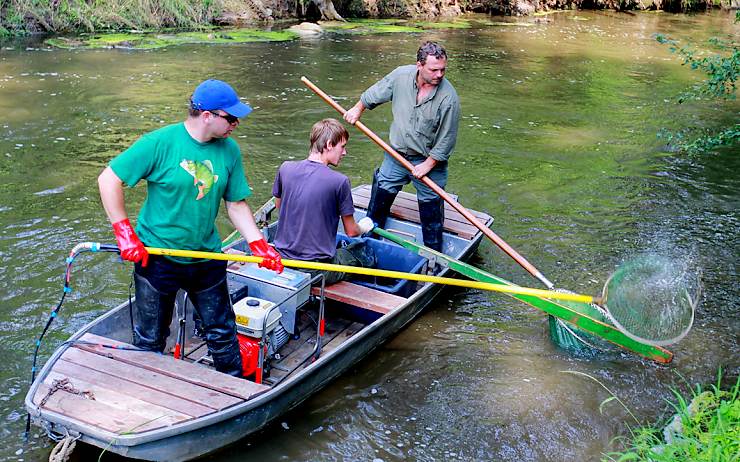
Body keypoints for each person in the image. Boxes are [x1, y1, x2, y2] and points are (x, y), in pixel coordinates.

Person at [98, 79, 283, 378]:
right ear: (207, 115)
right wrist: (124, 232)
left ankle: (235, 391)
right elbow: (108, 180)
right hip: (156, 257)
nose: (236, 124)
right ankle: (146, 391)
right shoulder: (160, 143)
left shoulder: (229, 151)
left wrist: (258, 244)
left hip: (206, 257)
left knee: (222, 331)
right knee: (150, 338)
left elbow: (236, 204)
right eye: (231, 118)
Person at [343, 41, 460, 252]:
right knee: (380, 194)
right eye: (434, 70)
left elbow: (447, 139)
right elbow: (375, 93)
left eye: (443, 69)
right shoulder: (400, 77)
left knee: (431, 209)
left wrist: (428, 164)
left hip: (429, 160)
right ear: (419, 65)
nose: (439, 74)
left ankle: (433, 256)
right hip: (396, 155)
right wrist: (357, 109)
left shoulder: (448, 98)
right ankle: (368, 243)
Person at [272, 118, 375, 285]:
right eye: (342, 146)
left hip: (282, 261)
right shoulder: (339, 181)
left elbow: (280, 208)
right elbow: (351, 231)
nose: (344, 153)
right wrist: (364, 226)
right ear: (328, 145)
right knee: (360, 251)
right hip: (315, 270)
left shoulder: (286, 168)